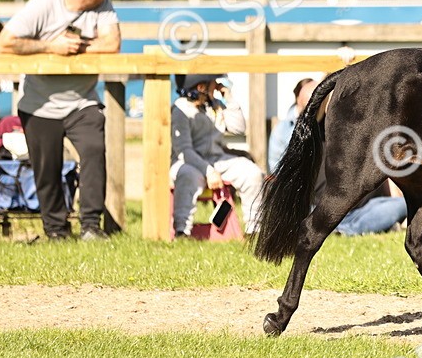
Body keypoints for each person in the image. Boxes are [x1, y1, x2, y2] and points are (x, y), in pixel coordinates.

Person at [0, 0, 123, 240]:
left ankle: (91, 225)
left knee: (93, 152)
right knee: (47, 170)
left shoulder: (102, 3)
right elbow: (5, 41)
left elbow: (112, 43)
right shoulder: (44, 3)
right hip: (39, 104)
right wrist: (50, 48)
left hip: (83, 101)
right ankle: (56, 230)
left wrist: (77, 48)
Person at [268, 77, 406, 236]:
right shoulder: (297, 131)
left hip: (361, 209)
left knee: (401, 205)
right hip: (320, 208)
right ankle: (349, 228)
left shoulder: (346, 124)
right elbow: (279, 173)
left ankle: (343, 229)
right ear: (299, 101)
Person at [171, 74, 265, 237]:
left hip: (217, 159)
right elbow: (184, 150)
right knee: (188, 176)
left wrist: (229, 98)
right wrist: (208, 171)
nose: (217, 85)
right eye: (214, 82)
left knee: (252, 172)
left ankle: (254, 230)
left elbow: (238, 128)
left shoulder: (215, 105)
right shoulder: (181, 109)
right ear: (201, 86)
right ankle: (182, 231)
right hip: (189, 162)